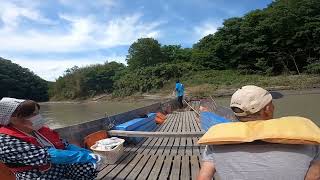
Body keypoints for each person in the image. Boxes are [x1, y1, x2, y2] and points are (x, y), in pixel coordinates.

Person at [197, 85, 320, 180]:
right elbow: (314, 177)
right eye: (271, 103)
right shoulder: (310, 140)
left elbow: (203, 178)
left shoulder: (216, 143)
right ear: (267, 109)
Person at [0, 97, 102, 180]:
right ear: (14, 119)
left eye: (38, 112)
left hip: (59, 168)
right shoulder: (5, 141)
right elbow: (48, 156)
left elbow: (64, 144)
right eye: (33, 114)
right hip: (37, 176)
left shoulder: (38, 130)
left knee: (89, 165)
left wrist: (87, 153)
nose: (38, 116)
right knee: (86, 159)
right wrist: (85, 156)